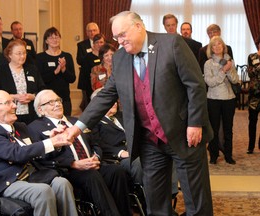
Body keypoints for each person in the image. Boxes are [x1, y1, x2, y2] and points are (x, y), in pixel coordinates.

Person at [67, 11, 214, 216]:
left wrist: (195, 123)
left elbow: (195, 85)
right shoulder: (119, 58)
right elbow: (106, 95)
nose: (119, 41)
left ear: (139, 26)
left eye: (122, 34)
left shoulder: (172, 44)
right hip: (149, 141)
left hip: (184, 134)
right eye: (116, 37)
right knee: (155, 204)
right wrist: (77, 127)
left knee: (197, 203)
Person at [28, 89, 131, 216]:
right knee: (91, 176)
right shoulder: (35, 128)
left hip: (92, 164)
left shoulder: (77, 122)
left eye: (58, 100)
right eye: (50, 102)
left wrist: (96, 157)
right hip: (68, 170)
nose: (57, 104)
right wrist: (73, 163)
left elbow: (95, 143)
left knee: (116, 171)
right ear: (40, 110)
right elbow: (41, 157)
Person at [0, 90, 78, 216]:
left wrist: (52, 140)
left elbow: (38, 151)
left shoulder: (21, 127)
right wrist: (51, 142)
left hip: (33, 175)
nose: (15, 105)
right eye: (8, 103)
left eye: (13, 102)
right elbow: (17, 154)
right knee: (43, 191)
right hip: (9, 182)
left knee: (62, 183)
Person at [0, 39, 45, 124]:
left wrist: (33, 96)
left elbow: (42, 90)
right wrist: (14, 97)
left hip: (31, 115)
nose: (22, 56)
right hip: (8, 115)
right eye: (19, 53)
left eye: (24, 53)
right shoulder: (0, 71)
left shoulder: (32, 69)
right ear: (10, 55)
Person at [92, 96, 143, 185]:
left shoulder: (122, 116)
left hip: (137, 149)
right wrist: (120, 152)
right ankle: (145, 195)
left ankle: (171, 193)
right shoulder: (95, 121)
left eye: (115, 100)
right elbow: (98, 143)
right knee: (138, 162)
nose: (115, 103)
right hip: (118, 157)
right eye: (110, 100)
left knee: (163, 153)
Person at [204, 36, 239, 165]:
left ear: (223, 46)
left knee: (228, 128)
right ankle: (213, 155)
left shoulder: (230, 61)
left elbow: (235, 80)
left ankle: (228, 155)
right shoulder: (208, 63)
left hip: (229, 99)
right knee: (213, 128)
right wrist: (223, 71)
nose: (217, 46)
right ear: (211, 48)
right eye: (214, 45)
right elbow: (210, 82)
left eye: (220, 44)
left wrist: (229, 69)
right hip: (213, 99)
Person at [36, 27, 76, 116]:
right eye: (51, 37)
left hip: (64, 98)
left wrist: (63, 69)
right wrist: (56, 71)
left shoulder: (67, 56)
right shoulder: (40, 57)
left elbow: (72, 79)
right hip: (47, 100)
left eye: (57, 37)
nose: (55, 40)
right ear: (46, 41)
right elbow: (41, 79)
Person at [77, 33, 105, 110]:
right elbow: (85, 75)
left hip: (104, 87)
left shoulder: (106, 56)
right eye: (97, 42)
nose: (99, 44)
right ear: (93, 44)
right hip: (89, 87)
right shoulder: (87, 57)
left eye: (101, 42)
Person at [247, 36, 260, 154]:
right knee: (252, 121)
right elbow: (250, 72)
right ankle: (250, 146)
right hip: (255, 95)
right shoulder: (252, 57)